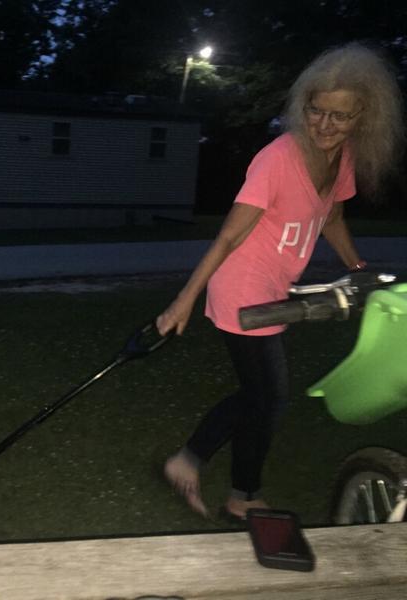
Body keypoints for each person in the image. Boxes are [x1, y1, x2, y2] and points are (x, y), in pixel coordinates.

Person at [156, 42, 404, 520]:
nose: (325, 126)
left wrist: (358, 269)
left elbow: (331, 216)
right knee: (268, 397)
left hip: (275, 289)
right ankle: (239, 494)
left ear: (363, 117)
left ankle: (195, 467)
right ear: (302, 105)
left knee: (260, 396)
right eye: (316, 111)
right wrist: (184, 299)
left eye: (340, 116)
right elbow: (230, 235)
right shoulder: (277, 159)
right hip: (242, 288)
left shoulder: (342, 158)